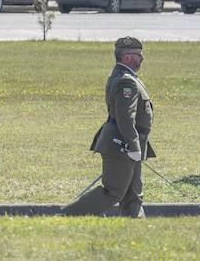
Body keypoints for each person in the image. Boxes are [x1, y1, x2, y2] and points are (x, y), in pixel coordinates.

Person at [62, 36, 155, 218]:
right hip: (123, 145)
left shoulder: (125, 77)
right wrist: (134, 146)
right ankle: (65, 216)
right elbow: (125, 118)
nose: (142, 58)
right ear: (127, 57)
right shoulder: (126, 81)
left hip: (130, 143)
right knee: (112, 192)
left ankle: (137, 228)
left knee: (133, 194)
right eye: (138, 55)